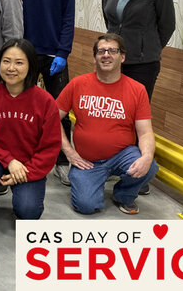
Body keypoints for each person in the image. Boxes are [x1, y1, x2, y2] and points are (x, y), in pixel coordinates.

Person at [102, 0, 175, 197]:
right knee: (113, 114)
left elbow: (167, 25)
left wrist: (148, 48)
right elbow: (110, 20)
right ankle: (114, 164)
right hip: (112, 62)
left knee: (136, 118)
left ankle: (137, 174)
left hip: (143, 64)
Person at [56, 34, 158, 215]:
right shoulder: (78, 84)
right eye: (101, 51)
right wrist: (69, 152)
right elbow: (51, 119)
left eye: (113, 51)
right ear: (94, 57)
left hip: (122, 155)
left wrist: (147, 155)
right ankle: (89, 183)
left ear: (123, 57)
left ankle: (123, 195)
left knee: (149, 165)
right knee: (86, 206)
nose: (106, 55)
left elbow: (145, 133)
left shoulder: (137, 89)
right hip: (87, 161)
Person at [7, 0, 76, 186]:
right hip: (25, 55)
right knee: (21, 109)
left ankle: (62, 161)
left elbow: (68, 15)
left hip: (55, 55)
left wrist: (63, 51)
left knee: (60, 109)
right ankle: (22, 157)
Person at [0, 39, 60, 236]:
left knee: (28, 212)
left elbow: (50, 148)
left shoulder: (45, 102)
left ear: (30, 66)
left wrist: (27, 172)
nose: (11, 68)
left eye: (19, 62)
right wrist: (9, 161)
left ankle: (24, 192)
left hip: (29, 167)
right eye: (6, 61)